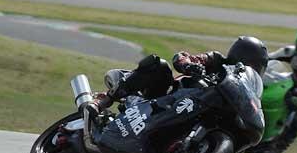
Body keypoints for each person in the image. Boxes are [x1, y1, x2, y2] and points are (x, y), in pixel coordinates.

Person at [94, 36, 268, 111]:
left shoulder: (249, 90)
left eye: (257, 66)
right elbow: (182, 57)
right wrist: (189, 66)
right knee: (158, 65)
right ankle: (105, 99)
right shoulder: (217, 61)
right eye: (251, 63)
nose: (252, 69)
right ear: (239, 56)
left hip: (201, 110)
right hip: (169, 94)